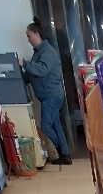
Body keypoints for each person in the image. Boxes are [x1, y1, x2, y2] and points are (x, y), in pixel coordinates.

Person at [22, 20, 72, 164]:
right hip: (48, 96)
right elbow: (33, 73)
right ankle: (65, 155)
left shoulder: (48, 52)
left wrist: (24, 64)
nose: (28, 40)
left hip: (51, 96)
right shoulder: (39, 52)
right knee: (55, 125)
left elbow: (41, 70)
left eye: (29, 36)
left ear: (37, 35)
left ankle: (59, 150)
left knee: (46, 126)